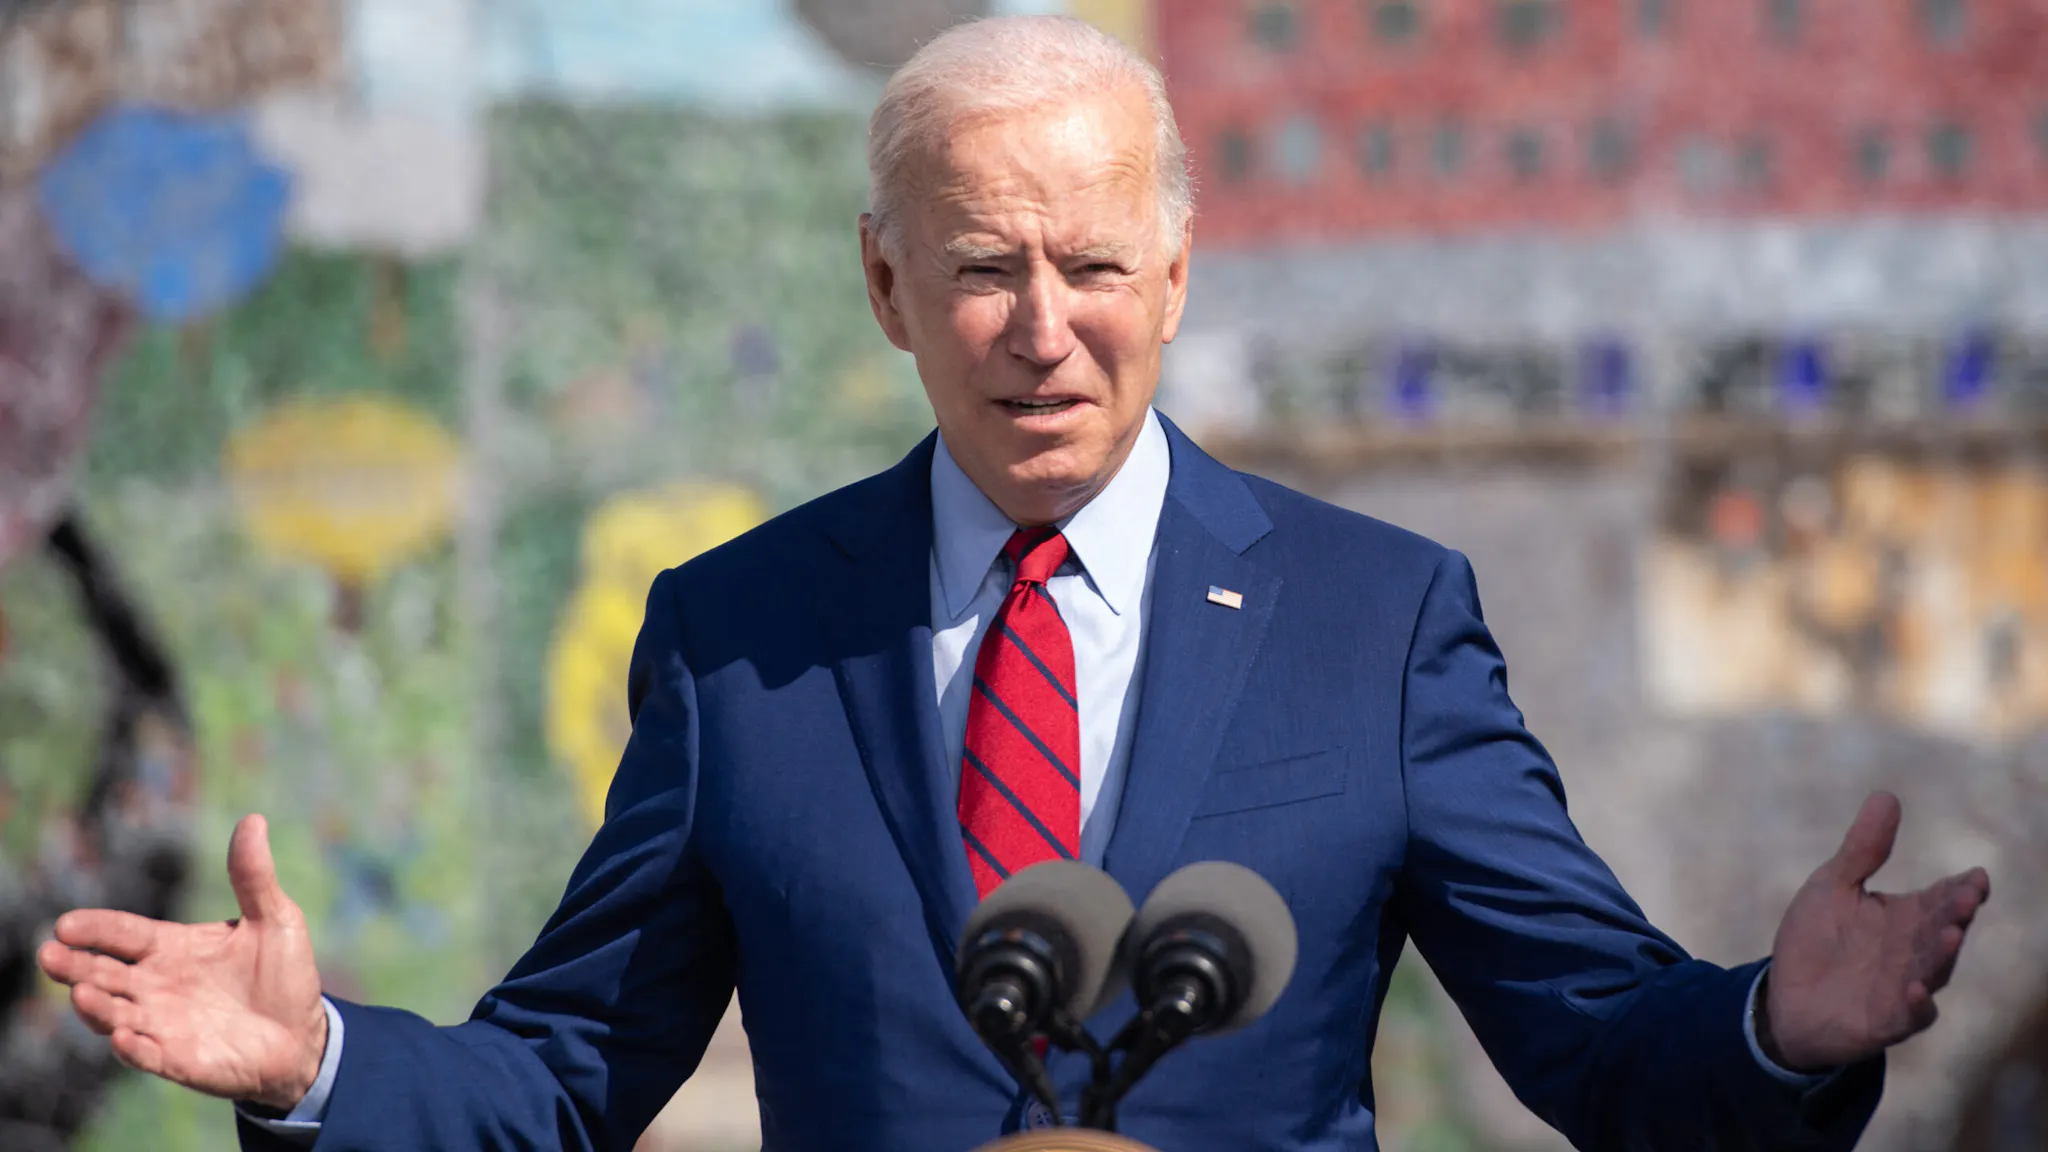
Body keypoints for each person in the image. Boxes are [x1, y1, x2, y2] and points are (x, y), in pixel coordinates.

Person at [38, 17, 1990, 1152]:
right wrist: (316, 1063)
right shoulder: (740, 638)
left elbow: (1592, 1043)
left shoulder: (1374, 621)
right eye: (980, 264)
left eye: (1089, 262)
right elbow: (565, 1074)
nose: (1039, 327)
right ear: (887, 289)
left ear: (1174, 277)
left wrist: (1772, 1029)